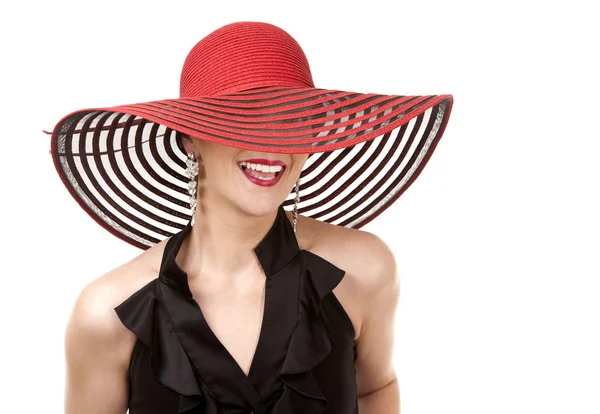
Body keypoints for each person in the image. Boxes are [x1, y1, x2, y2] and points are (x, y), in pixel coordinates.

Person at [50, 21, 453, 414]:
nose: (273, 142)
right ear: (191, 138)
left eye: (293, 119)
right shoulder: (107, 316)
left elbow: (376, 388)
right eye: (244, 116)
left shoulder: (363, 270)